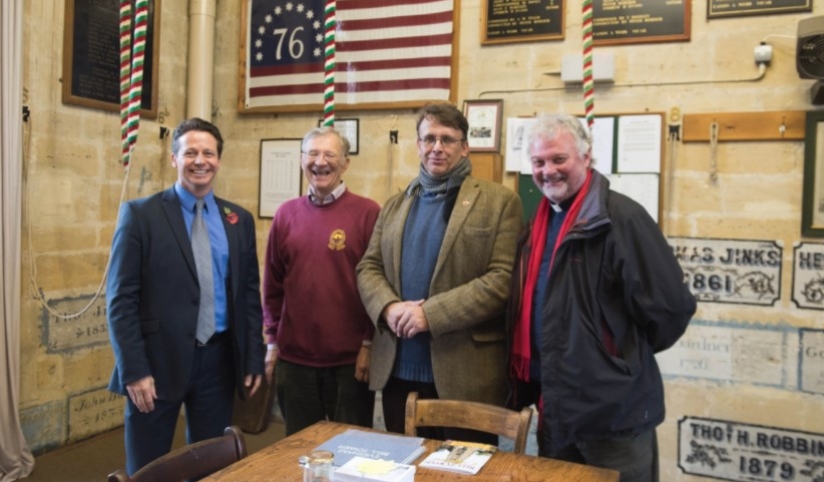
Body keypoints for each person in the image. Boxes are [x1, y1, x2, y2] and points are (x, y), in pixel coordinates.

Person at [508, 113, 696, 482]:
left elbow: (671, 309)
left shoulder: (622, 218)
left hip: (614, 417)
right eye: (538, 162)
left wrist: (616, 356)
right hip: (557, 409)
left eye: (559, 159)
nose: (549, 171)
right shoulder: (538, 222)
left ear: (585, 157)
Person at [357, 103, 523, 442]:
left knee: (464, 474)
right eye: (429, 138)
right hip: (398, 374)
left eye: (447, 139)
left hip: (465, 377)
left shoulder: (500, 202)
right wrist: (389, 308)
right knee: (405, 470)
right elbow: (368, 266)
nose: (437, 147)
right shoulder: (394, 204)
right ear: (418, 145)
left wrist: (429, 315)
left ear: (464, 147)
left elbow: (501, 280)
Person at [106, 117, 264, 475]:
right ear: (174, 158)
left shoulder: (238, 219)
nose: (200, 160)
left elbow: (248, 295)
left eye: (208, 152)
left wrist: (253, 357)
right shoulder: (140, 215)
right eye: (190, 152)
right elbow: (120, 301)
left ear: (219, 160)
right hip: (155, 365)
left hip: (218, 362)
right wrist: (134, 371)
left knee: (210, 465)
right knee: (148, 469)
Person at [262, 127, 380, 436]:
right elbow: (272, 286)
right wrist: (272, 342)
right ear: (301, 160)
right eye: (312, 153)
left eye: (329, 154)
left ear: (345, 163)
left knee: (352, 449)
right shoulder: (286, 214)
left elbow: (378, 285)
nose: (320, 162)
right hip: (294, 362)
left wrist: (369, 344)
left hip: (349, 362)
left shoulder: (368, 213)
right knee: (298, 450)